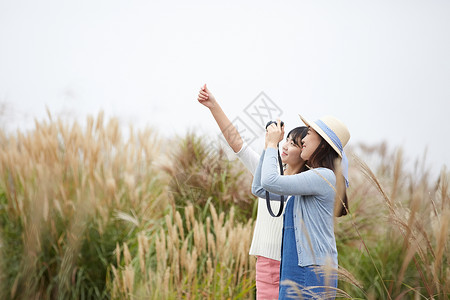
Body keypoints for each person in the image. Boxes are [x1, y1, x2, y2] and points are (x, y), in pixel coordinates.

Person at [197, 84, 308, 299]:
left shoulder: (306, 183)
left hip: (292, 266)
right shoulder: (269, 171)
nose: (285, 146)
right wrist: (213, 105)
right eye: (285, 140)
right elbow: (237, 143)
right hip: (266, 263)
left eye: (293, 144)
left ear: (304, 152)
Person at [252, 116, 350, 299]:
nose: (303, 139)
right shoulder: (309, 183)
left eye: (309, 133)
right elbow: (259, 188)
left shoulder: (324, 177)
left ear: (322, 144)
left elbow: (270, 181)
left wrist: (274, 144)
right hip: (295, 269)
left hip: (310, 273)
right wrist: (268, 146)